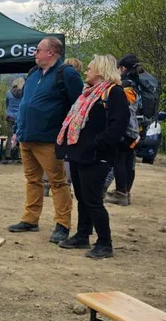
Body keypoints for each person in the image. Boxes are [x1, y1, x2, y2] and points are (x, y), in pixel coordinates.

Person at [8, 36, 84, 243]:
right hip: (26, 137)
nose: (35, 53)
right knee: (32, 180)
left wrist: (67, 134)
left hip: (49, 139)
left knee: (58, 182)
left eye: (38, 49)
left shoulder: (66, 74)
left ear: (51, 53)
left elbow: (78, 106)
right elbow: (24, 103)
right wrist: (18, 129)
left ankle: (62, 224)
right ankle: (30, 219)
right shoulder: (33, 74)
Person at [55, 54, 129, 259]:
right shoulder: (87, 93)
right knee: (82, 197)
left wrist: (95, 144)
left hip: (97, 156)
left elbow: (117, 127)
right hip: (80, 154)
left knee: (93, 200)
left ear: (100, 70)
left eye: (89, 68)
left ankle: (105, 243)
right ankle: (82, 234)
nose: (85, 71)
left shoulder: (114, 93)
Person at [104, 57, 143, 206]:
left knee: (119, 160)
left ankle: (121, 194)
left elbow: (122, 106)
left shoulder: (125, 84)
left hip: (125, 128)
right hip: (135, 128)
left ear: (122, 68)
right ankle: (125, 192)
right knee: (128, 161)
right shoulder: (137, 83)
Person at [4, 77, 24, 162]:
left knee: (10, 136)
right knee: (20, 136)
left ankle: (7, 154)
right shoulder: (23, 94)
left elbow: (7, 104)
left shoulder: (9, 93)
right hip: (20, 117)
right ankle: (19, 155)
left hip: (10, 117)